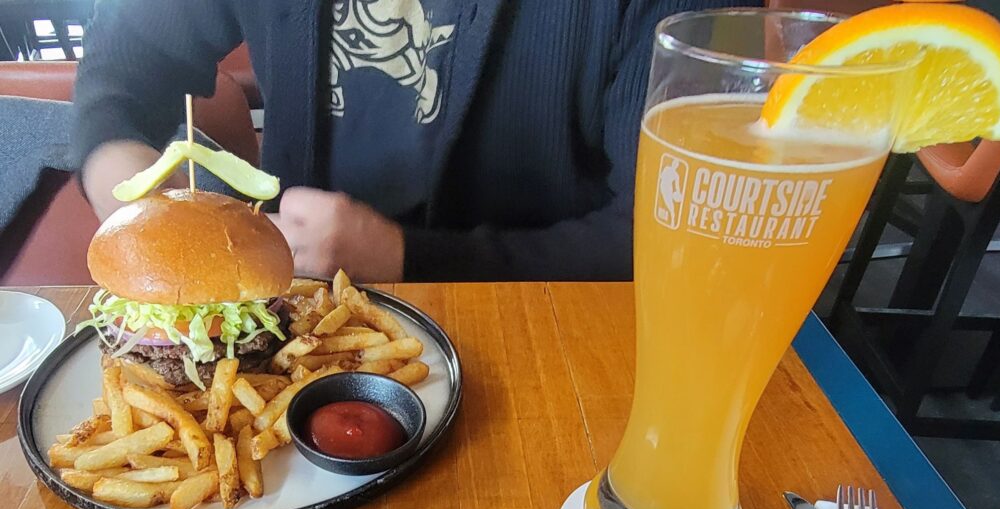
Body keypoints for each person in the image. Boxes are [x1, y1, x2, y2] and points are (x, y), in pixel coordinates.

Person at [73, 0, 739, 283]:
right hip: (295, 333)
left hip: (555, 331)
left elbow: (682, 237)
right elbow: (123, 65)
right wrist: (133, 201)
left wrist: (404, 256)